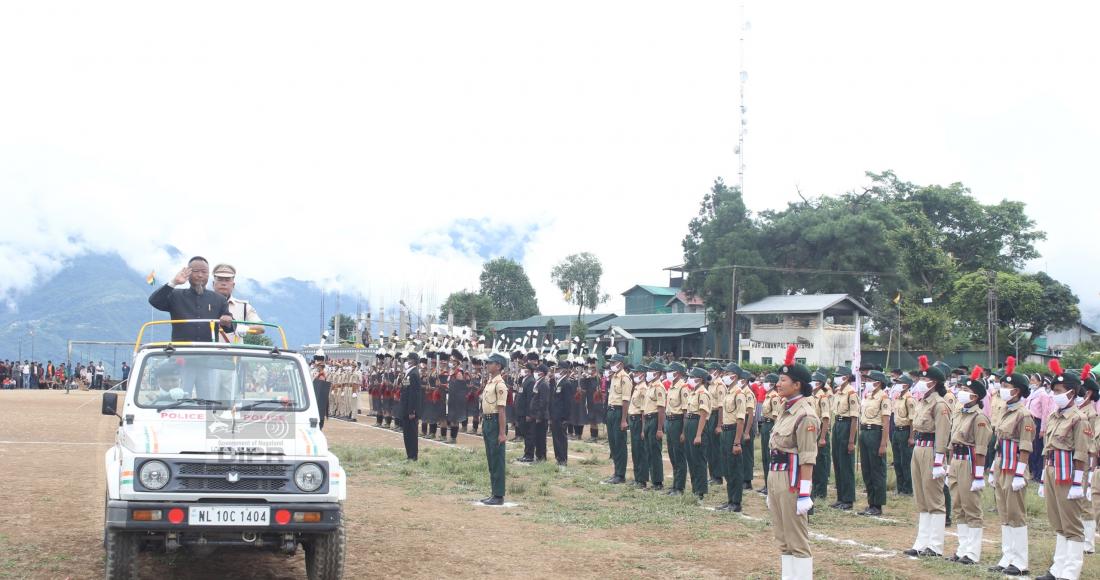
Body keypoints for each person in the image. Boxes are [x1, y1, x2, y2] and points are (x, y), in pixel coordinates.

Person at [766, 345, 820, 579]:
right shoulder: (785, 408)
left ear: (797, 384)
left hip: (792, 478)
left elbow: (808, 457)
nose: (778, 384)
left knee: (797, 539)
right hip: (776, 474)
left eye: (783, 380)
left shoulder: (805, 414)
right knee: (783, 538)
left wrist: (805, 493)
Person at [1036, 360, 1090, 580]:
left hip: (1068, 473)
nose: (1054, 394)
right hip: (1051, 470)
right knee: (1057, 521)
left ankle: (1070, 571)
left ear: (1071, 393)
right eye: (1053, 390)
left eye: (1058, 391)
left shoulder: (1079, 419)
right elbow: (1047, 449)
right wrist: (1041, 478)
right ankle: (1058, 567)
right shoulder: (1054, 416)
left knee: (1072, 523)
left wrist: (1078, 482)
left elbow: (1081, 453)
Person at [988, 356, 1034, 576]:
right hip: (1001, 466)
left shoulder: (1024, 415)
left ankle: (1020, 561)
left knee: (1016, 515)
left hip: (1014, 467)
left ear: (1016, 391)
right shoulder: (1006, 410)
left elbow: (1025, 446)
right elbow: (999, 443)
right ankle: (1007, 556)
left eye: (1006, 387)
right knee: (1005, 513)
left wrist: (1019, 473)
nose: (1001, 389)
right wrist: (991, 469)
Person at [904, 356, 952, 559]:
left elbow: (942, 433)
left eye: (926, 380)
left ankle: (935, 545)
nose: (921, 383)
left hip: (932, 449)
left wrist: (940, 459)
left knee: (934, 499)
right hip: (919, 449)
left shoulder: (940, 405)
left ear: (934, 383)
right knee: (921, 498)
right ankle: (922, 542)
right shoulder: (922, 401)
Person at [945, 366, 992, 565]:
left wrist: (979, 476)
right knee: (958, 506)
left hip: (970, 462)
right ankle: (962, 548)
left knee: (971, 507)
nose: (960, 392)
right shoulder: (960, 413)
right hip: (956, 461)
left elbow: (981, 448)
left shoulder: (979, 418)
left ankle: (972, 553)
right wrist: (949, 466)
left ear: (974, 397)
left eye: (965, 390)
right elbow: (952, 442)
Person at [148, 257, 234, 342]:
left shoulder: (219, 299)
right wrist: (174, 282)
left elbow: (230, 328)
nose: (200, 275)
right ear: (188, 273)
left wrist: (228, 321)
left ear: (208, 275)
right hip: (181, 351)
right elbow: (154, 301)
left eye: (204, 272)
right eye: (196, 271)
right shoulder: (175, 295)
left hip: (208, 351)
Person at [859, 370, 891, 517]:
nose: (867, 382)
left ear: (878, 383)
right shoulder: (867, 396)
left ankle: (877, 505)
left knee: (877, 470)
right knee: (867, 469)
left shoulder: (883, 397)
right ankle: (870, 502)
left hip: (876, 433)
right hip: (865, 432)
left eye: (869, 379)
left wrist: (883, 443)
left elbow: (886, 422)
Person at [480, 353, 509, 505]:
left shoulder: (500, 384)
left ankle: (498, 495)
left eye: (491, 363)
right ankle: (494, 492)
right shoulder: (490, 382)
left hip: (495, 422)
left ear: (498, 366)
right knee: (491, 458)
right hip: (487, 421)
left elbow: (502, 410)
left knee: (497, 459)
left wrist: (502, 433)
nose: (487, 365)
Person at [718, 362, 747, 511]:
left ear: (734, 376)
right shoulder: (729, 392)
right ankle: (730, 499)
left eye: (726, 373)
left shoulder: (739, 394)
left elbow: (740, 419)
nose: (723, 376)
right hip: (725, 431)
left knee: (735, 468)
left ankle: (736, 502)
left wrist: (737, 442)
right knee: (727, 468)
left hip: (733, 432)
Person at [211, 263, 264, 342]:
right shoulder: (203, 303)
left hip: (234, 353)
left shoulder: (243, 306)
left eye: (227, 280)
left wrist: (246, 328)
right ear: (213, 284)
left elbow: (261, 328)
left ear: (233, 285)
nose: (223, 283)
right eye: (220, 279)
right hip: (207, 351)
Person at [830, 366, 859, 510]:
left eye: (838, 375)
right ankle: (840, 497)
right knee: (838, 462)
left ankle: (848, 499)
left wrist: (851, 440)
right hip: (838, 424)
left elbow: (854, 418)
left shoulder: (851, 393)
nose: (836, 377)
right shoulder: (838, 392)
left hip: (847, 426)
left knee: (846, 464)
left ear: (846, 377)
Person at [603, 353, 633, 485]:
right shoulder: (614, 376)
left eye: (613, 363)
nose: (611, 365)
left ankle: (620, 474)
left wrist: (624, 419)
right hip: (611, 410)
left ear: (620, 364)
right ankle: (616, 471)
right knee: (613, 443)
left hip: (619, 411)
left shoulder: (624, 378)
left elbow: (626, 400)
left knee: (620, 444)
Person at [684, 367, 713, 500]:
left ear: (700, 379)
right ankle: (695, 487)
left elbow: (703, 415)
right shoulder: (693, 392)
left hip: (698, 424)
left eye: (692, 376)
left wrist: (698, 435)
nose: (689, 379)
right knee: (691, 458)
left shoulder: (703, 393)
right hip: (690, 423)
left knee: (699, 459)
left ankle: (700, 490)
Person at [664, 362, 688, 496]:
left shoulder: (683, 388)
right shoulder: (672, 387)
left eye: (671, 371)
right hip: (670, 421)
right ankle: (675, 485)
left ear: (677, 373)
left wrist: (684, 432)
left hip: (678, 422)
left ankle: (680, 487)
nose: (668, 373)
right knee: (672, 455)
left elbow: (685, 412)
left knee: (679, 456)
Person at [891, 374, 916, 496]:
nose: (897, 385)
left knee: (906, 461)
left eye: (899, 383)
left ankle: (908, 488)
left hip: (905, 431)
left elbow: (912, 420)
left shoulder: (909, 399)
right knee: (897, 461)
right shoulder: (898, 398)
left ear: (906, 385)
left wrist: (911, 437)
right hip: (896, 431)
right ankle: (899, 487)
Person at [627, 363, 651, 488]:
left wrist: (643, 429)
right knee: (635, 450)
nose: (634, 374)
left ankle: (642, 479)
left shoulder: (643, 388)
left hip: (638, 420)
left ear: (642, 374)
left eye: (636, 372)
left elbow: (643, 411)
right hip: (633, 419)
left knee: (640, 450)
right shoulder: (637, 387)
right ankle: (637, 477)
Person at [810, 370, 832, 500]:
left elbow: (825, 418)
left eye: (814, 381)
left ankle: (821, 492)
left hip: (820, 433)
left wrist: (823, 437)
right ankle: (815, 488)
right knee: (814, 462)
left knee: (821, 464)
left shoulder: (822, 397)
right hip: (812, 431)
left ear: (819, 383)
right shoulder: (812, 396)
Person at [759, 373, 782, 494]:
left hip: (771, 425)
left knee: (770, 456)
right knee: (764, 456)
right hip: (765, 424)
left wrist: (774, 432)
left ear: (772, 384)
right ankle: (767, 484)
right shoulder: (768, 396)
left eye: (767, 382)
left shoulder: (774, 397)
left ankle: (771, 485)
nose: (765, 384)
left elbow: (776, 416)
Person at [549, 359, 574, 466]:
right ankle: (558, 457)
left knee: (561, 438)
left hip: (561, 417)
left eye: (558, 369)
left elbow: (568, 403)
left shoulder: (566, 383)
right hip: (555, 415)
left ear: (564, 371)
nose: (556, 371)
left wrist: (566, 418)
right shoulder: (557, 382)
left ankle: (563, 459)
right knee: (556, 438)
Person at [398, 352, 422, 461]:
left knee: (411, 433)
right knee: (407, 433)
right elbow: (405, 389)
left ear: (414, 361)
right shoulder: (409, 373)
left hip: (410, 409)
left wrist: (412, 411)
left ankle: (413, 456)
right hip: (406, 408)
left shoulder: (414, 374)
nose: (408, 361)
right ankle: (409, 455)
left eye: (410, 359)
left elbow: (414, 394)